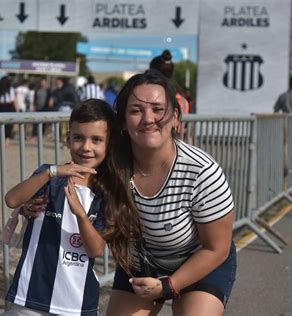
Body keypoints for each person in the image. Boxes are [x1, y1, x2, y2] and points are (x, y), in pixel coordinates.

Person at [104, 70, 236, 315]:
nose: (148, 118)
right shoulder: (111, 165)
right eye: (135, 110)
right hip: (141, 264)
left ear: (175, 117)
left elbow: (217, 248)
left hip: (199, 261)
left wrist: (167, 286)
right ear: (122, 120)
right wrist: (35, 204)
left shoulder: (201, 171)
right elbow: (71, 187)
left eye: (158, 109)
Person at [1, 99, 115, 315]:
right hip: (29, 296)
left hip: (77, 302)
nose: (86, 147)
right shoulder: (50, 176)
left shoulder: (107, 192)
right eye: (78, 138)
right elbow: (12, 200)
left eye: (96, 140)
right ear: (67, 139)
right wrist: (51, 172)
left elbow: (96, 249)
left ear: (108, 144)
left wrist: (80, 214)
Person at [0, 76, 19, 148]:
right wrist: (17, 111)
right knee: (9, 126)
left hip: (0, 108)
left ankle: (2, 141)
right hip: (9, 108)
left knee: (1, 125)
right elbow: (13, 101)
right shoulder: (10, 89)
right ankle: (6, 142)